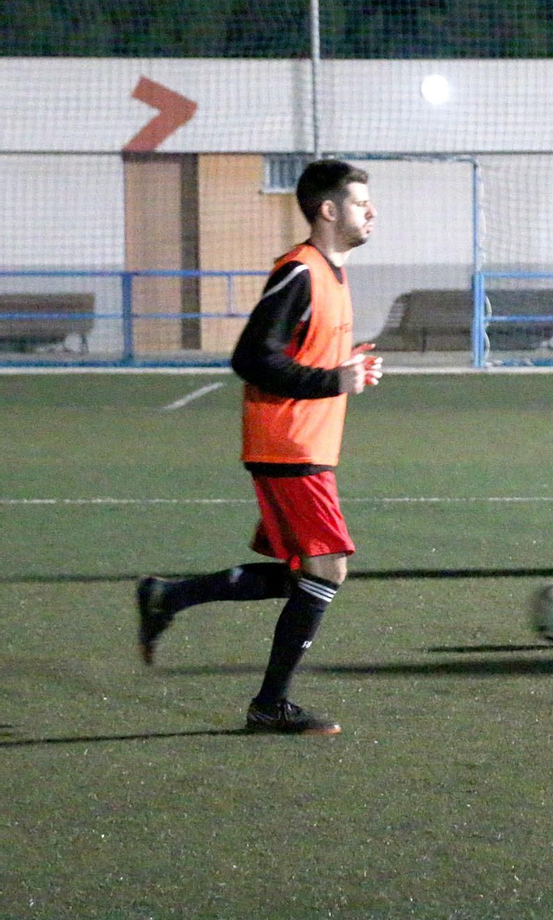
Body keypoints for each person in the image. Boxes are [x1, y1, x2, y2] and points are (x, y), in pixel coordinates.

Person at [136, 160, 382, 735]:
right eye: (359, 201)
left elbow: (301, 355)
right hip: (289, 446)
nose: (371, 211)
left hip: (304, 445)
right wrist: (330, 381)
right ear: (327, 210)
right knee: (328, 569)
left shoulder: (331, 274)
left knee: (303, 573)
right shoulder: (301, 271)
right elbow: (251, 357)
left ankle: (168, 597)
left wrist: (347, 370)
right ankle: (270, 703)